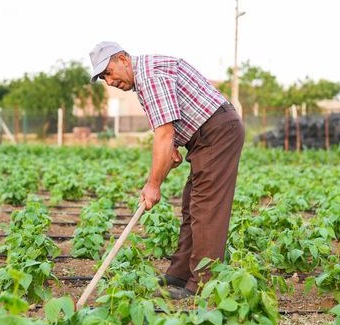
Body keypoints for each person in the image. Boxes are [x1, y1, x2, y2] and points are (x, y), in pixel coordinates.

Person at [88, 41, 245, 299]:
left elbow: (164, 134)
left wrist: (153, 185)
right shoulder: (145, 81)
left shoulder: (149, 77)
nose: (109, 81)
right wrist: (168, 153)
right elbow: (168, 141)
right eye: (103, 77)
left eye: (108, 72)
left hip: (217, 132)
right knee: (191, 204)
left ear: (123, 59)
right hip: (205, 135)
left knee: (206, 209)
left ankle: (204, 286)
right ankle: (179, 275)